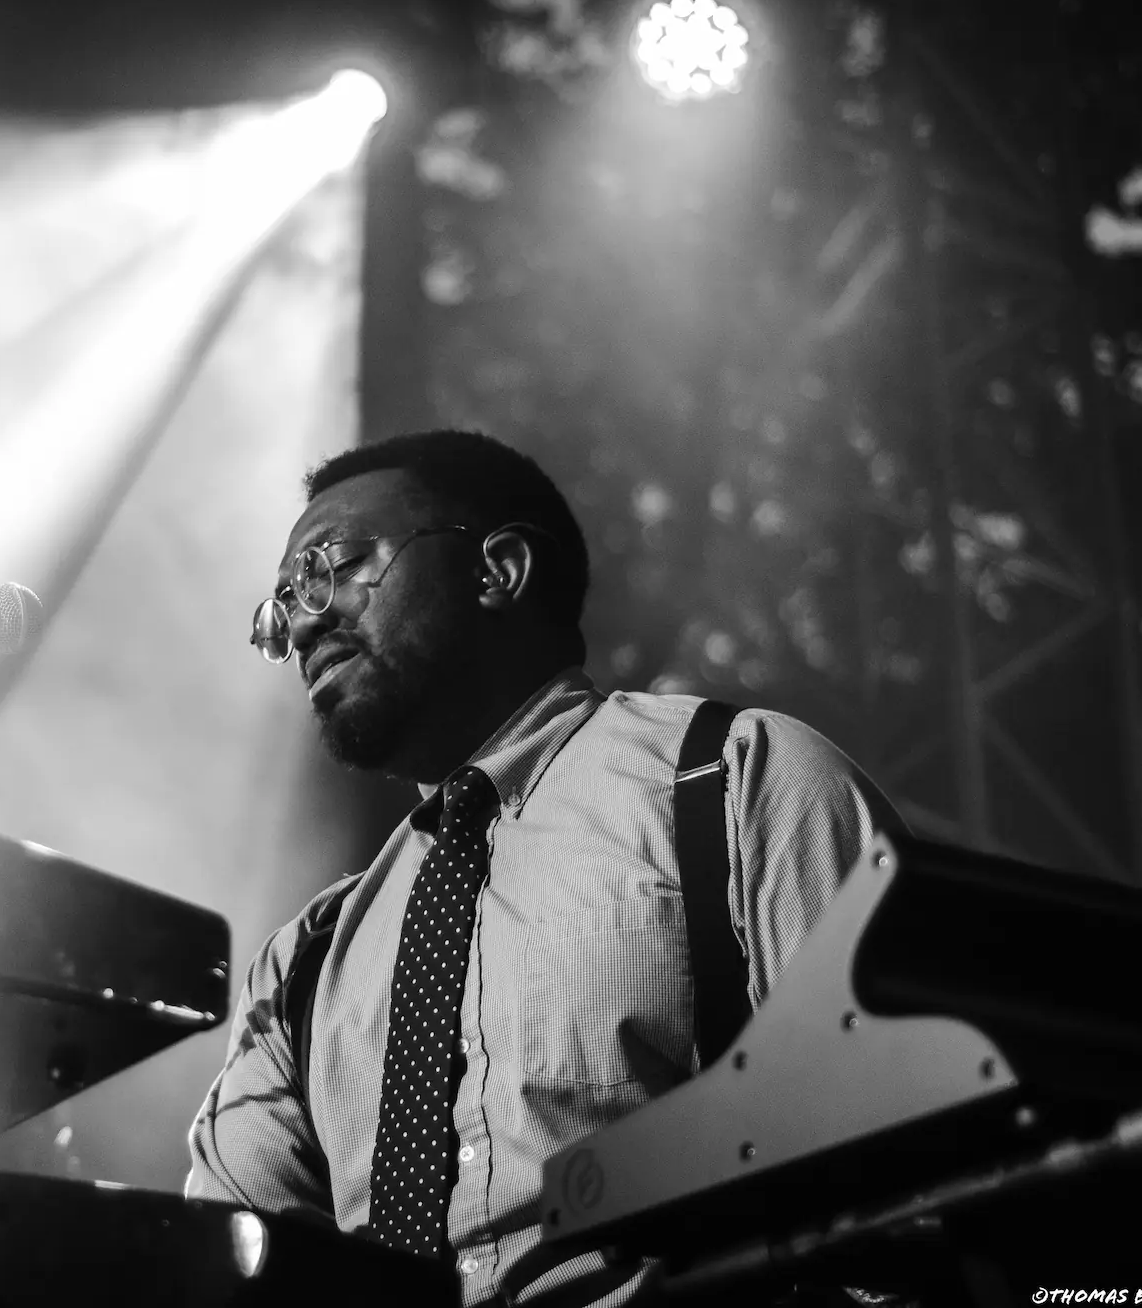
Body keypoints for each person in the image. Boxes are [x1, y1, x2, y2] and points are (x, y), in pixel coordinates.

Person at [185, 429, 901, 1306]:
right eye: (283, 604)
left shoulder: (739, 780)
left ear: (499, 570)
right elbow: (222, 1271)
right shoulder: (299, 967)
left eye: (329, 569)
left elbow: (900, 1184)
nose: (300, 622)